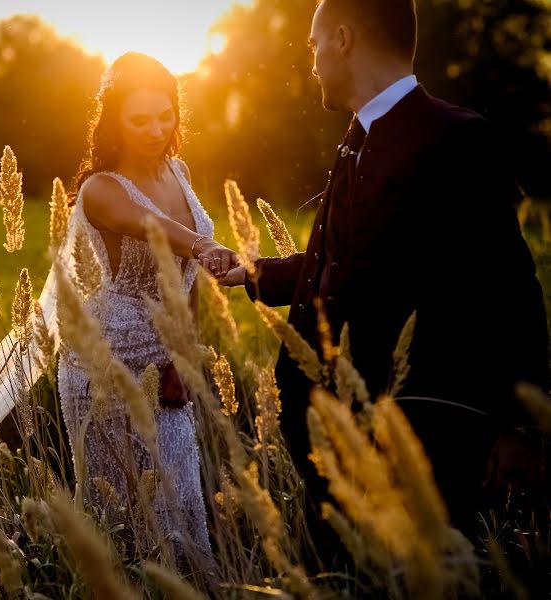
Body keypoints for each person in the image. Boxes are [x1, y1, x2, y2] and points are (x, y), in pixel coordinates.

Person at [218, 0, 549, 554]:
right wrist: (252, 272)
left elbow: (512, 286)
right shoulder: (357, 137)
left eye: (315, 43)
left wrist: (520, 428)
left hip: (421, 440)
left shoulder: (456, 136)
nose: (313, 60)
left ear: (343, 39)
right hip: (339, 439)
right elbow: (348, 264)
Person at [57, 52, 238, 573]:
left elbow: (186, 280)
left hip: (166, 352)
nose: (155, 129)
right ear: (113, 120)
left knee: (180, 499)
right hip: (107, 358)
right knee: (122, 512)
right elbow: (152, 230)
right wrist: (206, 247)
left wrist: (185, 356)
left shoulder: (179, 171)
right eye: (139, 119)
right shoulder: (101, 188)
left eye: (165, 116)